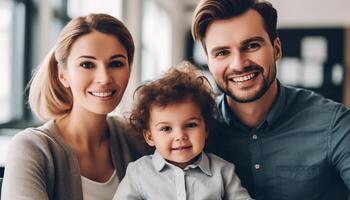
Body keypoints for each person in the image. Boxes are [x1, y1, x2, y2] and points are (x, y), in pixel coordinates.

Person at [191, 0, 350, 199]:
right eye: (222, 53)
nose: (239, 64)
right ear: (209, 62)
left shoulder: (334, 124)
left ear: (276, 49)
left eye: (251, 46)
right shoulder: (192, 131)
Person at [1, 13, 148, 200]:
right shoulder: (32, 149)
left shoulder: (138, 139)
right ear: (62, 74)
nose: (104, 78)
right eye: (87, 64)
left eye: (116, 63)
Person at [113, 62, 253, 200]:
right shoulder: (138, 173)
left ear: (206, 129)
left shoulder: (223, 171)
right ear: (150, 137)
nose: (180, 136)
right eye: (166, 128)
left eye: (191, 125)